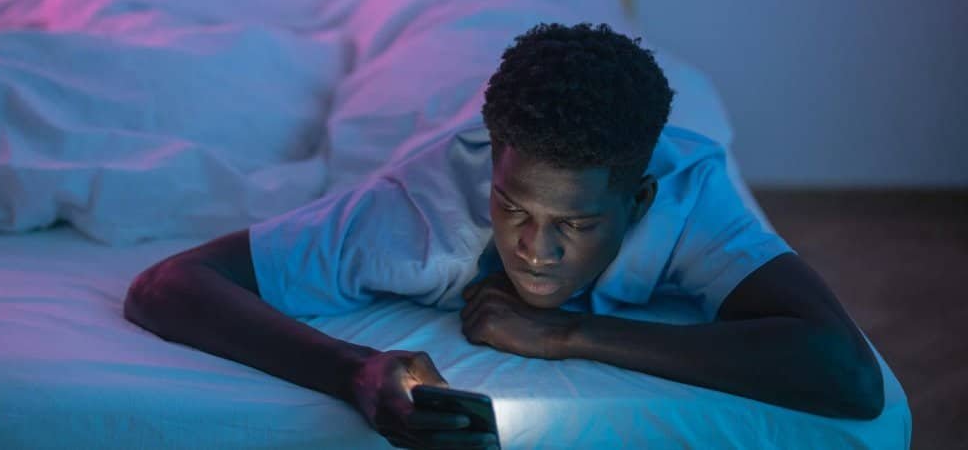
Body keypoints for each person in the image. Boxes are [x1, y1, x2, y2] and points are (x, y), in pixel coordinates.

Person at [125, 23, 884, 449]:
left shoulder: (686, 194)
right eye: (513, 209)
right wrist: (352, 370)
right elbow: (167, 285)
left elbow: (850, 376)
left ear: (639, 201)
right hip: (428, 92)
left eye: (576, 225)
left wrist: (568, 334)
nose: (536, 250)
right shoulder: (417, 219)